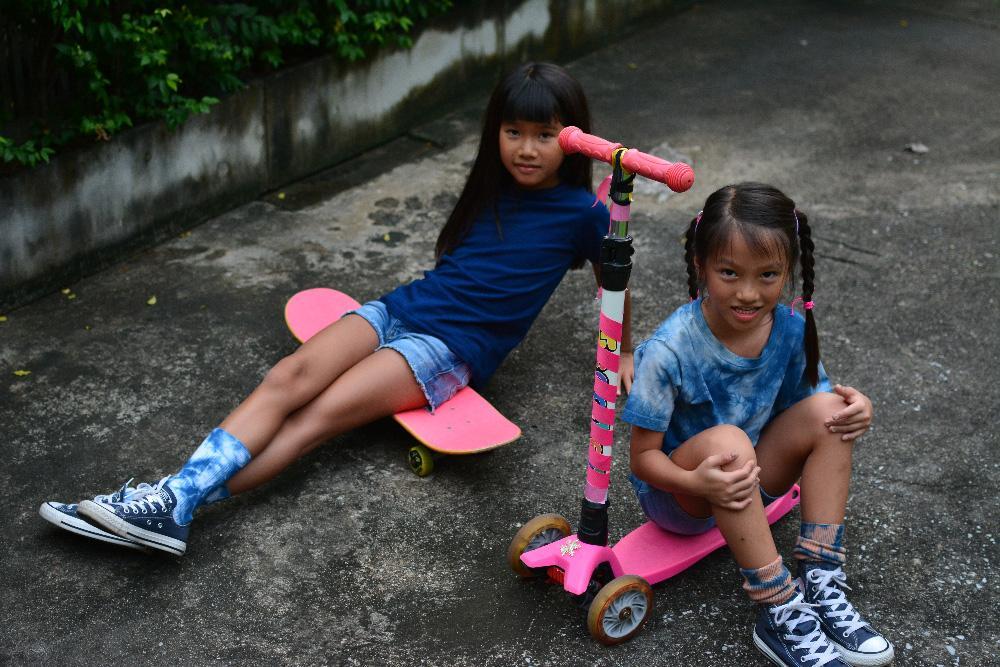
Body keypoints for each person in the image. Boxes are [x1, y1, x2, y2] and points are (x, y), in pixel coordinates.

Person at [39, 61, 633, 556]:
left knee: (316, 416)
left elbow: (614, 285)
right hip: (401, 308)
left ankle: (173, 504)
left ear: (573, 137)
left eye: (544, 134)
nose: (526, 149)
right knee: (288, 376)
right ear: (494, 132)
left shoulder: (584, 215)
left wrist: (623, 347)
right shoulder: (492, 183)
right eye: (513, 132)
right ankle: (171, 500)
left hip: (447, 349)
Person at [623, 183, 892, 667]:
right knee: (728, 443)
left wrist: (857, 408)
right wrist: (692, 481)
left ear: (788, 271)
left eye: (767, 274)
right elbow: (642, 460)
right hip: (683, 495)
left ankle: (820, 577)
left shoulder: (789, 328)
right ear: (702, 265)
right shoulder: (669, 349)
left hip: (754, 476)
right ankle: (778, 607)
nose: (749, 293)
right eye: (730, 272)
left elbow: (813, 405)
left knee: (831, 413)